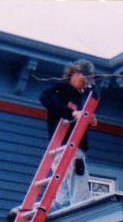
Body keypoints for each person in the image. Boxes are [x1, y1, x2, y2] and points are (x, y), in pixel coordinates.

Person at [39, 59, 99, 210]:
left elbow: (90, 102)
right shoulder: (62, 89)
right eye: (83, 78)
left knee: (62, 195)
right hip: (68, 146)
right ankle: (80, 216)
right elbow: (45, 98)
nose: (84, 83)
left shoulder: (80, 97)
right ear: (74, 73)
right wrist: (71, 113)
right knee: (78, 191)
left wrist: (88, 119)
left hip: (67, 147)